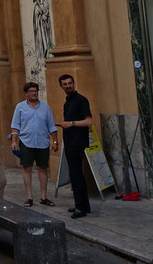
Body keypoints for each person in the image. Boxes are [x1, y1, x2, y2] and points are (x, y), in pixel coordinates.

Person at [11, 81, 59, 207]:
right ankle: (29, 197)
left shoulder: (45, 107)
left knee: (42, 169)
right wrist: (14, 142)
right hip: (26, 142)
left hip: (42, 142)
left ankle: (43, 197)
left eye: (36, 91)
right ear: (26, 94)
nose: (34, 93)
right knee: (27, 168)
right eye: (31, 91)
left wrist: (55, 141)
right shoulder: (20, 107)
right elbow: (15, 126)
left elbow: (52, 126)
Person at [58, 74, 93, 219]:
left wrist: (71, 123)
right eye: (65, 84)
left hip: (78, 142)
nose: (68, 86)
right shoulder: (67, 102)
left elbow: (88, 121)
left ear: (74, 83)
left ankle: (81, 208)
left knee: (76, 175)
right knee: (76, 174)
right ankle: (83, 205)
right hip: (70, 143)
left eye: (70, 83)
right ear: (61, 86)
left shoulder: (81, 100)